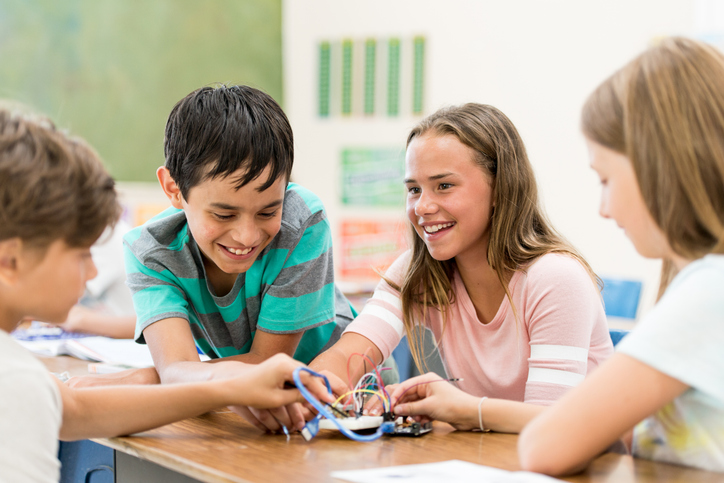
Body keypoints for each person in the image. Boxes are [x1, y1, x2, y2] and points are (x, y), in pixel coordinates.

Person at [0, 107, 331, 483]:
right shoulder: (15, 382)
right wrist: (223, 384)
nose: (93, 272)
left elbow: (72, 409)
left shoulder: (19, 376)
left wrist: (201, 383)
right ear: (9, 261)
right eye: (81, 254)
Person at [310, 103, 613, 434]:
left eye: (444, 186)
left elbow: (555, 426)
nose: (422, 207)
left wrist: (463, 411)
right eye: (414, 189)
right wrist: (323, 392)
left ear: (500, 188)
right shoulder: (415, 272)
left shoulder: (556, 278)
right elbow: (347, 355)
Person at [94, 84, 355, 433]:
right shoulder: (151, 251)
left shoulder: (301, 221)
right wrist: (174, 377)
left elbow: (266, 363)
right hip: (251, 415)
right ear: (174, 188)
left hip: (346, 407)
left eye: (267, 212)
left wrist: (151, 379)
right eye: (223, 215)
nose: (246, 236)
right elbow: (176, 371)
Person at [518, 37, 724, 475]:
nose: (603, 208)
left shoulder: (710, 289)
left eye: (605, 178)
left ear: (659, 166)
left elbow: (543, 446)